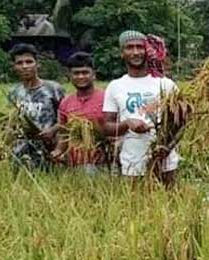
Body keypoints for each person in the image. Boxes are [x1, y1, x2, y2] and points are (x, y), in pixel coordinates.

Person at [102, 30, 179, 186]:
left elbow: (182, 123)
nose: (135, 52)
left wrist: (167, 145)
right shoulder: (115, 86)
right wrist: (127, 124)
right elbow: (107, 127)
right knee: (136, 206)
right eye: (129, 48)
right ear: (122, 53)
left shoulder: (166, 84)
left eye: (140, 47)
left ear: (147, 50)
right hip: (132, 163)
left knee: (169, 205)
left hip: (166, 162)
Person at [6, 43, 65, 170]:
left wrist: (52, 131)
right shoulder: (14, 92)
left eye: (29, 62)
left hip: (50, 149)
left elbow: (68, 118)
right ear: (14, 67)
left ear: (38, 64)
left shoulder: (53, 89)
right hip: (22, 150)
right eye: (19, 63)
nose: (25, 66)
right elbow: (11, 121)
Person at [51, 52, 107, 171]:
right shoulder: (66, 102)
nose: (81, 77)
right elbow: (63, 133)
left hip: (103, 163)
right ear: (70, 76)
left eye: (85, 72)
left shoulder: (107, 98)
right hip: (76, 164)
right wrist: (58, 151)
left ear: (94, 75)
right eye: (76, 73)